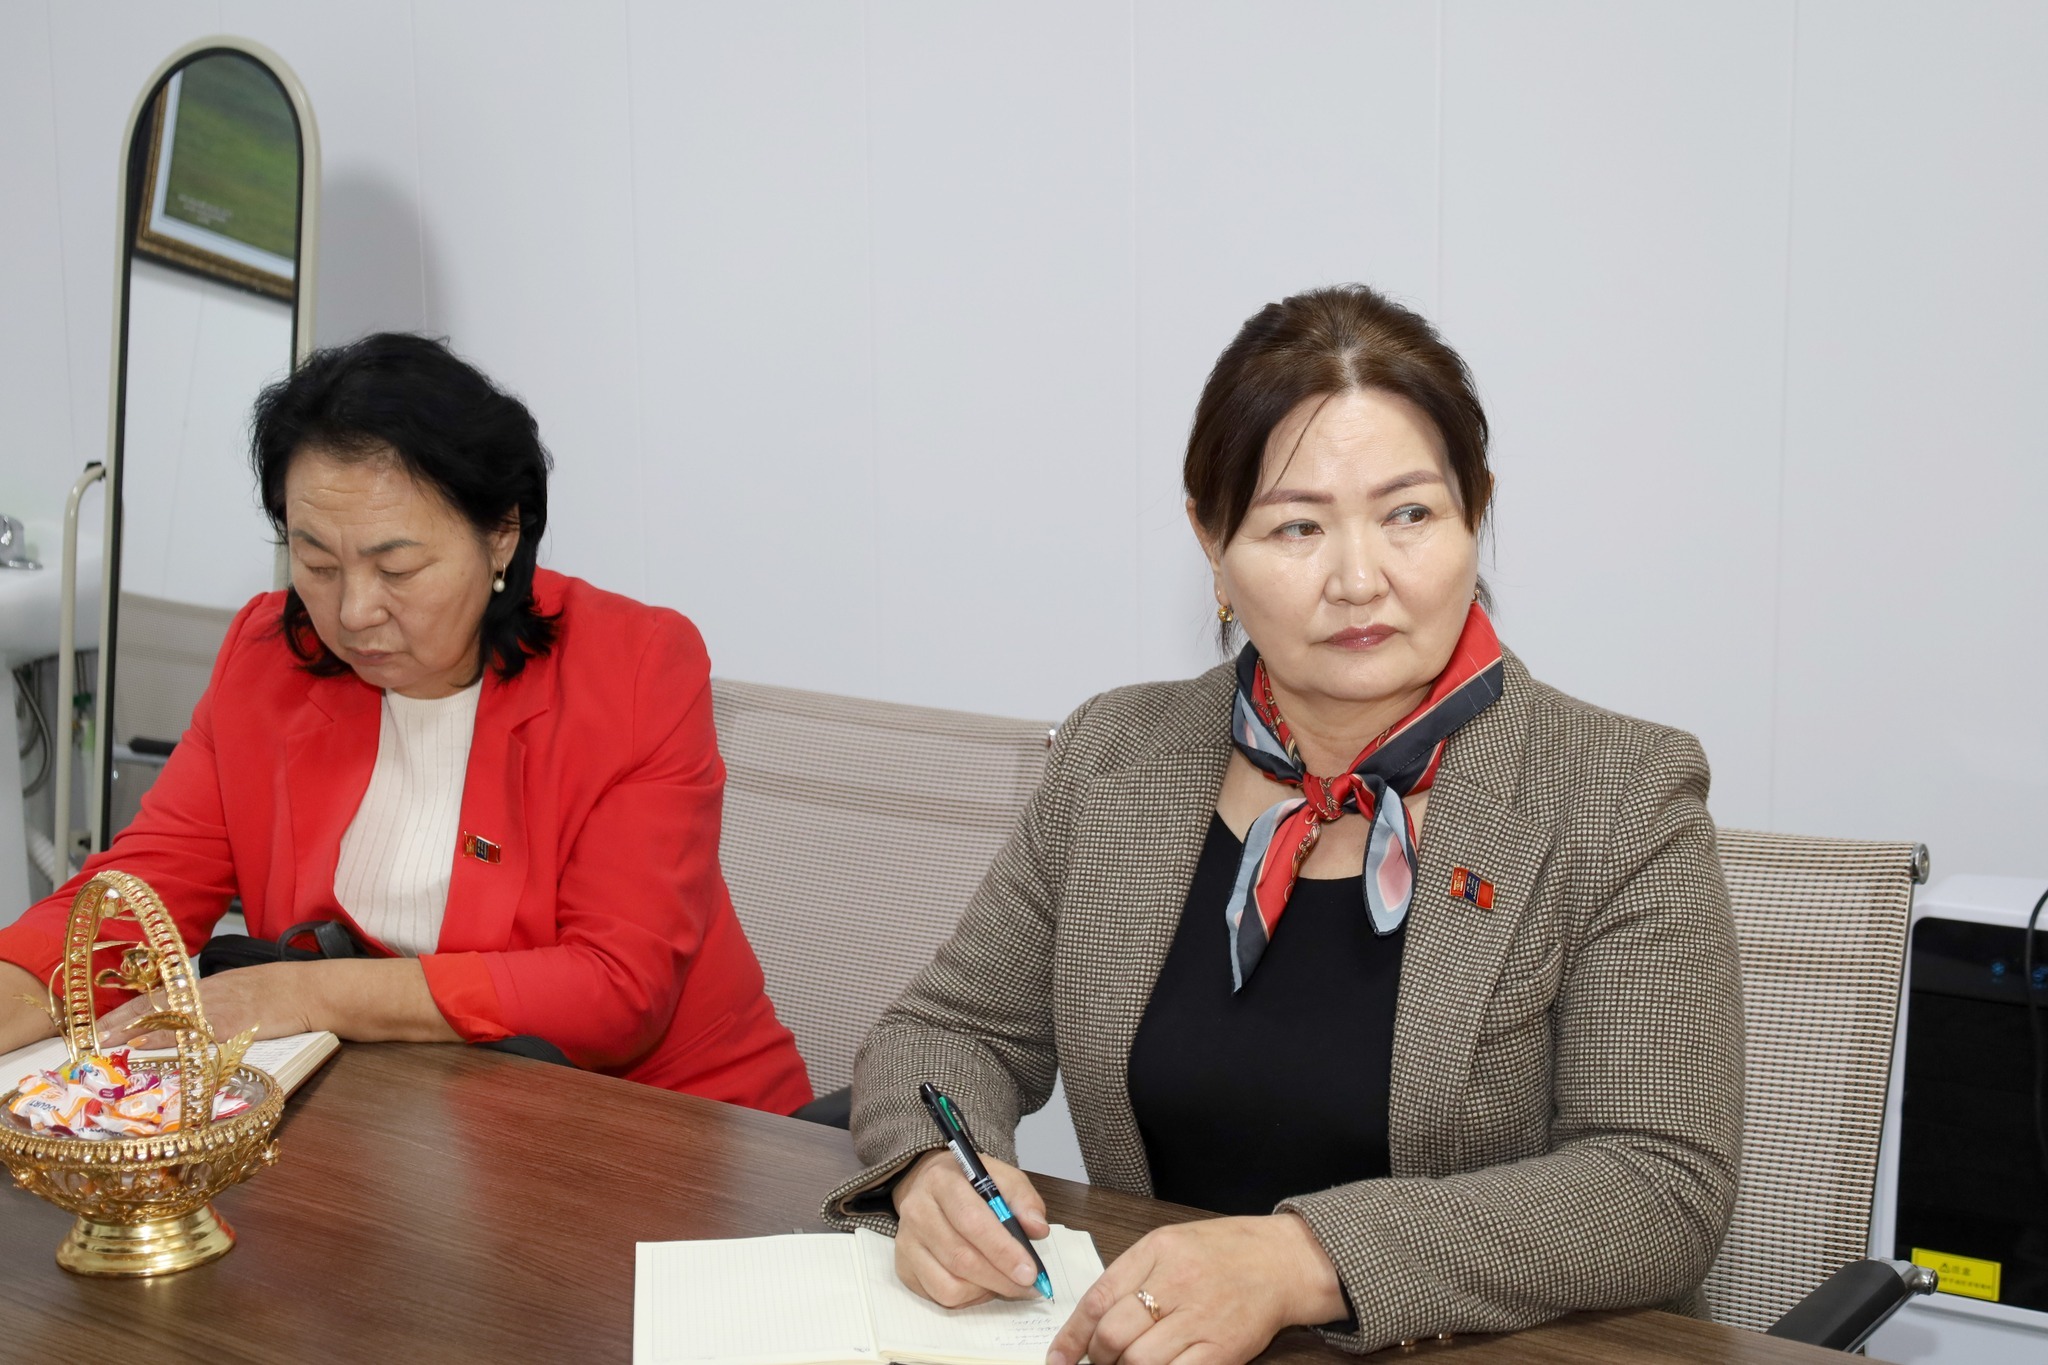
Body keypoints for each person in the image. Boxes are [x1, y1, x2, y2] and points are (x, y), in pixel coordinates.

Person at [823, 285, 1743, 1358]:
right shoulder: (1117, 758)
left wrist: (1301, 1260)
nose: (1359, 580)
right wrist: (937, 1172)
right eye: (1297, 526)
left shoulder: (1618, 794)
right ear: (1211, 543)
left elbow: (1656, 1182)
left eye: (1409, 514)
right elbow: (947, 1033)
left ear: (1475, 512)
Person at [0, 333, 812, 1115]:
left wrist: (307, 994)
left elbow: (614, 987)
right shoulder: (267, 658)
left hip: (665, 1127)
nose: (354, 611)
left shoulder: (634, 666)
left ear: (502, 533)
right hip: (402, 1125)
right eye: (317, 563)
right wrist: (21, 987)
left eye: (397, 567)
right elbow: (141, 889)